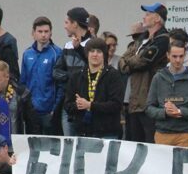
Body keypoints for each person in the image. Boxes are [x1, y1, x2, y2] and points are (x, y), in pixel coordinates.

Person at [119, 3, 170, 143]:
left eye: (148, 14)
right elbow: (122, 61)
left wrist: (130, 61)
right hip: (134, 101)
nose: (144, 17)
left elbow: (141, 62)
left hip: (148, 102)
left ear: (157, 19)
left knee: (149, 143)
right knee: (133, 142)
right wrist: (131, 61)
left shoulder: (162, 40)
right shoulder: (141, 38)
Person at [145, 41, 188, 148]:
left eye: (181, 56)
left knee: (182, 165)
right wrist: (165, 112)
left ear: (185, 55)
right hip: (162, 133)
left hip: (185, 134)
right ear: (168, 55)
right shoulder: (158, 78)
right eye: (174, 56)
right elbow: (148, 108)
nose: (178, 60)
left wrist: (179, 111)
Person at [64, 38, 124, 139]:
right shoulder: (76, 76)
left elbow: (116, 104)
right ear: (87, 54)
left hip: (107, 133)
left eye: (99, 51)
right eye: (92, 51)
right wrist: (79, 105)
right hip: (82, 133)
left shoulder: (113, 75)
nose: (95, 54)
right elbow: (67, 105)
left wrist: (90, 105)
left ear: (104, 54)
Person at [53, 7, 92, 136]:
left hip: (87, 104)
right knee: (69, 144)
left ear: (75, 24)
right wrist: (72, 77)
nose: (65, 26)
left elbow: (94, 70)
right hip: (68, 103)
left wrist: (79, 49)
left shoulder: (93, 45)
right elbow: (56, 72)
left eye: (66, 22)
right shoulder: (67, 46)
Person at [19, 17, 60, 135]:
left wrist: (55, 108)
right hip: (31, 109)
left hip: (49, 110)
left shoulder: (57, 53)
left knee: (50, 147)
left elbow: (60, 84)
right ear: (33, 33)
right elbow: (23, 82)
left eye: (46, 32)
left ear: (51, 33)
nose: (43, 35)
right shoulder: (27, 54)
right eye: (40, 31)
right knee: (33, 146)